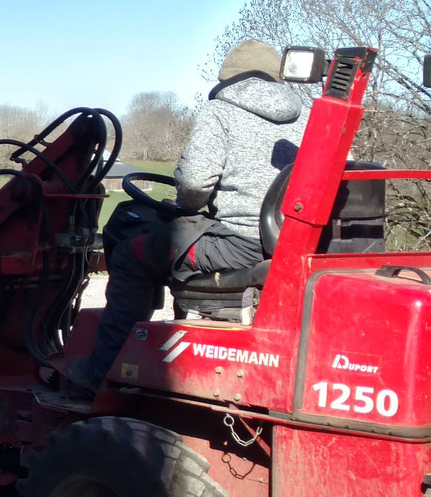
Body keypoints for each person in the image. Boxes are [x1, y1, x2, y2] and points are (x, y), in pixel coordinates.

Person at [70, 40, 310, 394]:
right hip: (293, 241)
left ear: (229, 78)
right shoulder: (309, 117)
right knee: (162, 242)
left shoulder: (222, 110)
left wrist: (186, 203)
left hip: (240, 243)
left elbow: (195, 183)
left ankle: (103, 371)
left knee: (132, 252)